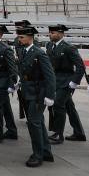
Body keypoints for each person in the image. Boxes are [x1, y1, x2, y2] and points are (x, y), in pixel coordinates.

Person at [16, 25, 56, 167]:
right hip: (28, 92)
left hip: (39, 94)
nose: (19, 39)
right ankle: (46, 152)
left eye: (21, 37)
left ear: (30, 37)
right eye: (18, 36)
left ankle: (38, 155)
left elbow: (50, 77)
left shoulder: (39, 53)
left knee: (33, 123)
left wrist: (50, 96)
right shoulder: (22, 51)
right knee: (36, 122)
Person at [45, 24, 86, 144]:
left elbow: (80, 66)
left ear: (61, 34)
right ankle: (79, 133)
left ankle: (59, 134)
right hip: (54, 80)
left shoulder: (69, 48)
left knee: (58, 105)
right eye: (50, 32)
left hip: (66, 82)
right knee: (69, 107)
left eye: (53, 33)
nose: (50, 35)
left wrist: (74, 82)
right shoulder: (49, 45)